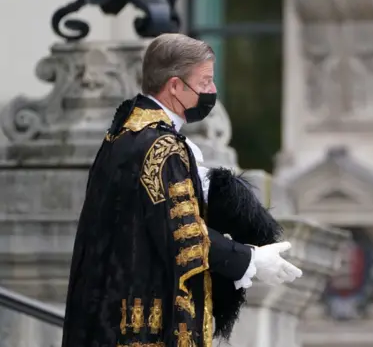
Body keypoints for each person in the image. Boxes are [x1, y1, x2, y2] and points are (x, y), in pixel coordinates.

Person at [61, 33, 302, 347]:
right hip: (145, 328)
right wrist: (251, 259)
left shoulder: (125, 135)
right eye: (204, 82)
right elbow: (183, 235)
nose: (212, 91)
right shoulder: (162, 147)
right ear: (175, 86)